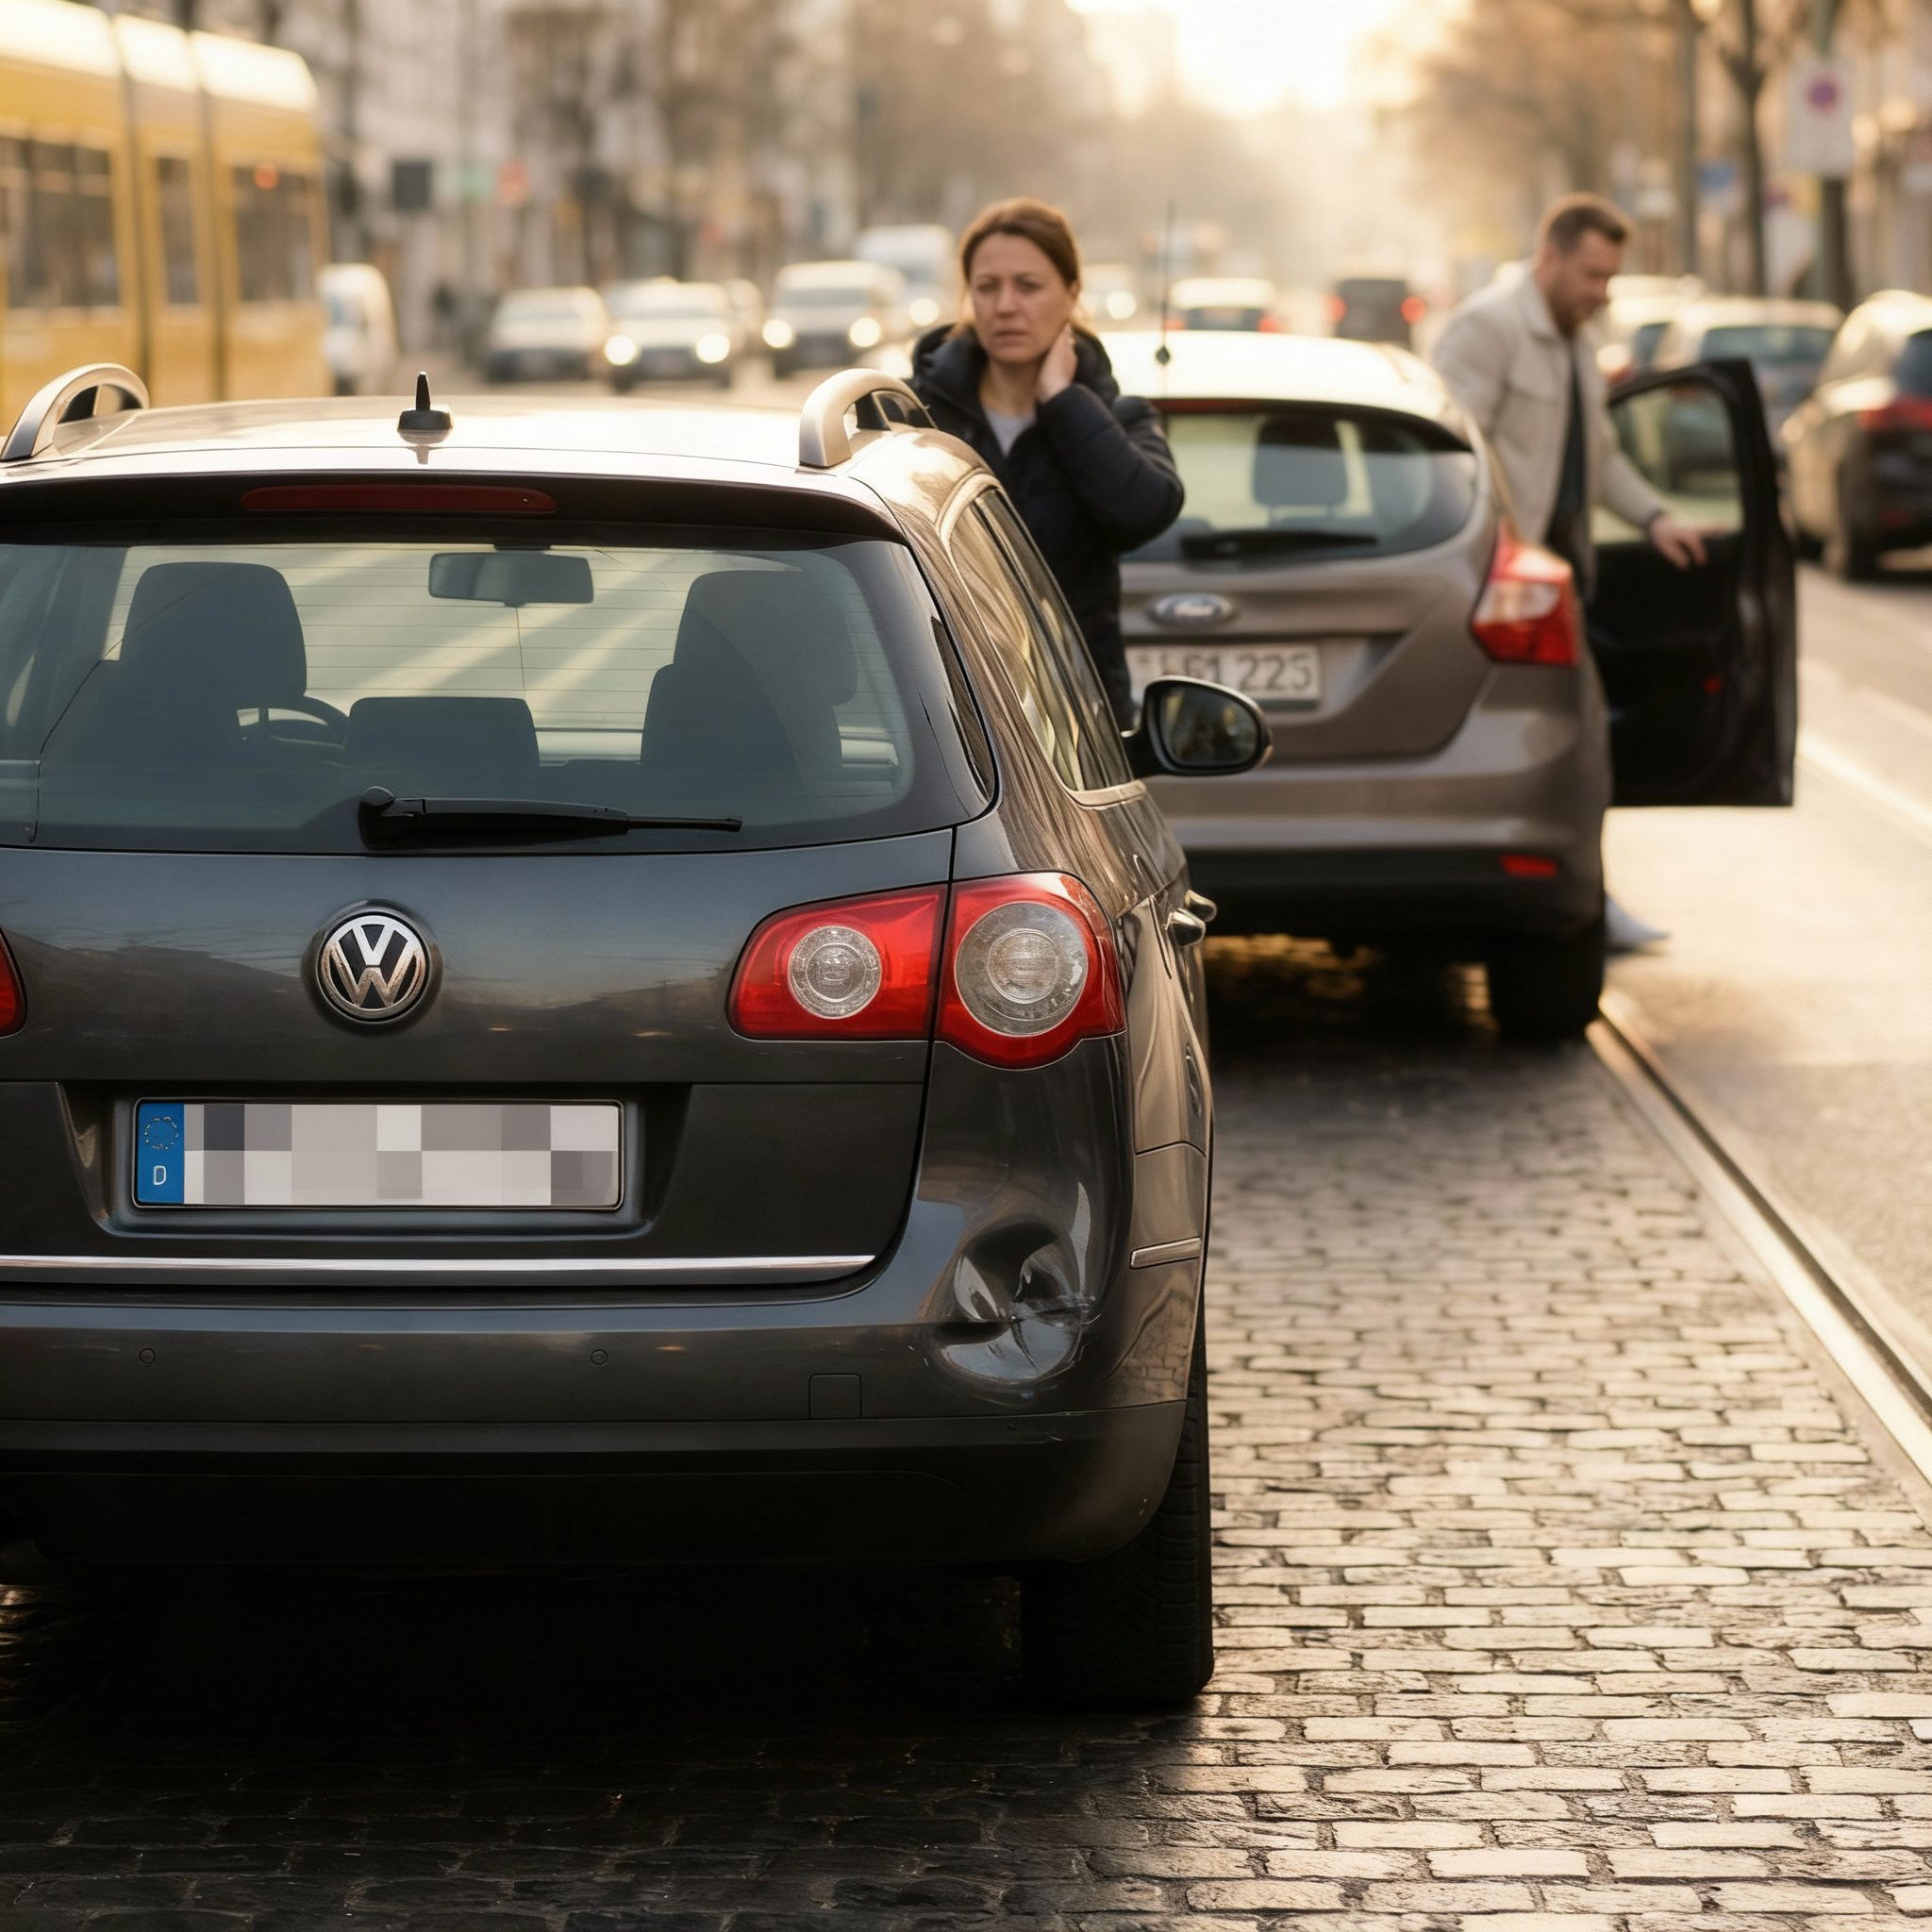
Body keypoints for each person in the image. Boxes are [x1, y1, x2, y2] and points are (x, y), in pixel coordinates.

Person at [1432, 193, 1707, 954]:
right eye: (1591, 274)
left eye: (1609, 278)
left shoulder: (1580, 340)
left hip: (1560, 582)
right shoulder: (1488, 328)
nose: (1600, 292)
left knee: (1579, 746)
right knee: (1548, 748)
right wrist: (1497, 547)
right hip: (1505, 587)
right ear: (1548, 257)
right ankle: (1574, 898)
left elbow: (1604, 456)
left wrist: (1656, 518)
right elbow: (1454, 448)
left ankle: (1588, 892)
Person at [909, 197, 1183, 726]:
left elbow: (1145, 512)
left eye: (1028, 286)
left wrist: (1062, 401)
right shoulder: (913, 415)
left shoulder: (1113, 418)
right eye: (987, 287)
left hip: (1078, 716)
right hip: (942, 710)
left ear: (1072, 294)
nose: (1006, 306)